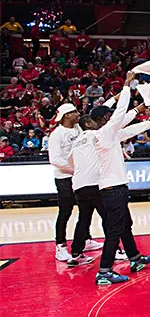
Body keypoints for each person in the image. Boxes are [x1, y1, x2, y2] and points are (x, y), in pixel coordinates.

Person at [93, 72, 150, 285]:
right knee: (114, 230)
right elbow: (121, 114)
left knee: (125, 224)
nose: (111, 118)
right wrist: (128, 84)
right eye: (108, 116)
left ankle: (135, 258)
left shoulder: (108, 135)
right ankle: (104, 270)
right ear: (104, 119)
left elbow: (127, 126)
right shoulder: (104, 133)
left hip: (114, 188)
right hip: (113, 189)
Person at [68, 106, 148, 267]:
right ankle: (115, 257)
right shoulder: (98, 135)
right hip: (97, 183)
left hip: (79, 185)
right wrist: (138, 111)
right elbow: (119, 123)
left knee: (83, 220)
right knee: (116, 222)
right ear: (90, 124)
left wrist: (81, 172)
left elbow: (70, 162)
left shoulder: (76, 142)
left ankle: (76, 253)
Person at [48, 103, 102, 262]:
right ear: (66, 116)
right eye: (74, 112)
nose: (78, 114)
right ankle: (60, 245)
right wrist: (76, 169)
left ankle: (86, 240)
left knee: (86, 210)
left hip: (79, 177)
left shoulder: (79, 129)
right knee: (65, 211)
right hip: (64, 178)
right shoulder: (56, 134)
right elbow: (55, 160)